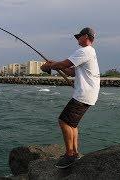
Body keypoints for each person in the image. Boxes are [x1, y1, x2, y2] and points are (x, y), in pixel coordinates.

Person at [40, 27, 100, 168]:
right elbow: (71, 71)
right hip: (87, 93)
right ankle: (74, 152)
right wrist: (55, 66)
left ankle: (70, 155)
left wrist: (51, 65)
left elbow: (64, 64)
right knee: (71, 123)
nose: (77, 39)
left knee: (64, 121)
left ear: (85, 36)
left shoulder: (84, 51)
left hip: (84, 94)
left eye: (79, 36)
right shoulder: (90, 52)